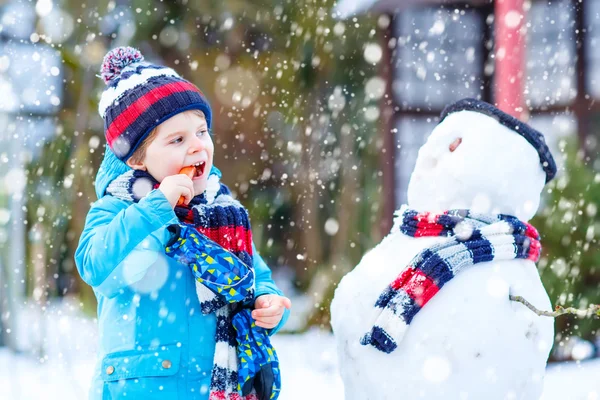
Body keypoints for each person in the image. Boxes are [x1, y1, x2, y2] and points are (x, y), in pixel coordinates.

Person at [75, 46, 291, 400]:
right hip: (145, 385)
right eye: (177, 140)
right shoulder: (118, 208)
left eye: (202, 132)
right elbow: (98, 267)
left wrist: (268, 304)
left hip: (217, 384)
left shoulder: (223, 213)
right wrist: (155, 208)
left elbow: (254, 277)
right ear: (137, 160)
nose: (197, 147)